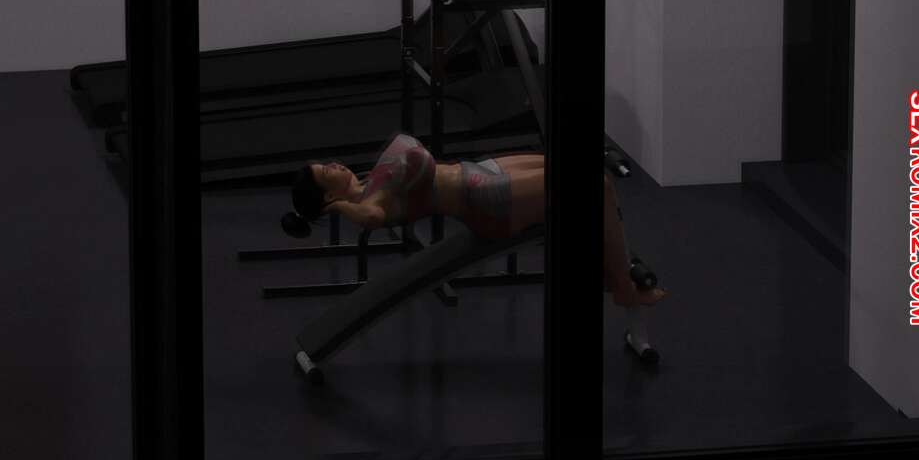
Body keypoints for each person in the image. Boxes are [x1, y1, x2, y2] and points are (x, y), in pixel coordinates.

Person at [284, 133, 667, 307]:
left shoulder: (370, 181)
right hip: (485, 201)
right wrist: (336, 209)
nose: (334, 164)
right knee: (598, 186)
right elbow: (371, 218)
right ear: (329, 196)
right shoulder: (371, 200)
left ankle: (610, 266)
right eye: (326, 172)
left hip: (478, 173)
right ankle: (623, 286)